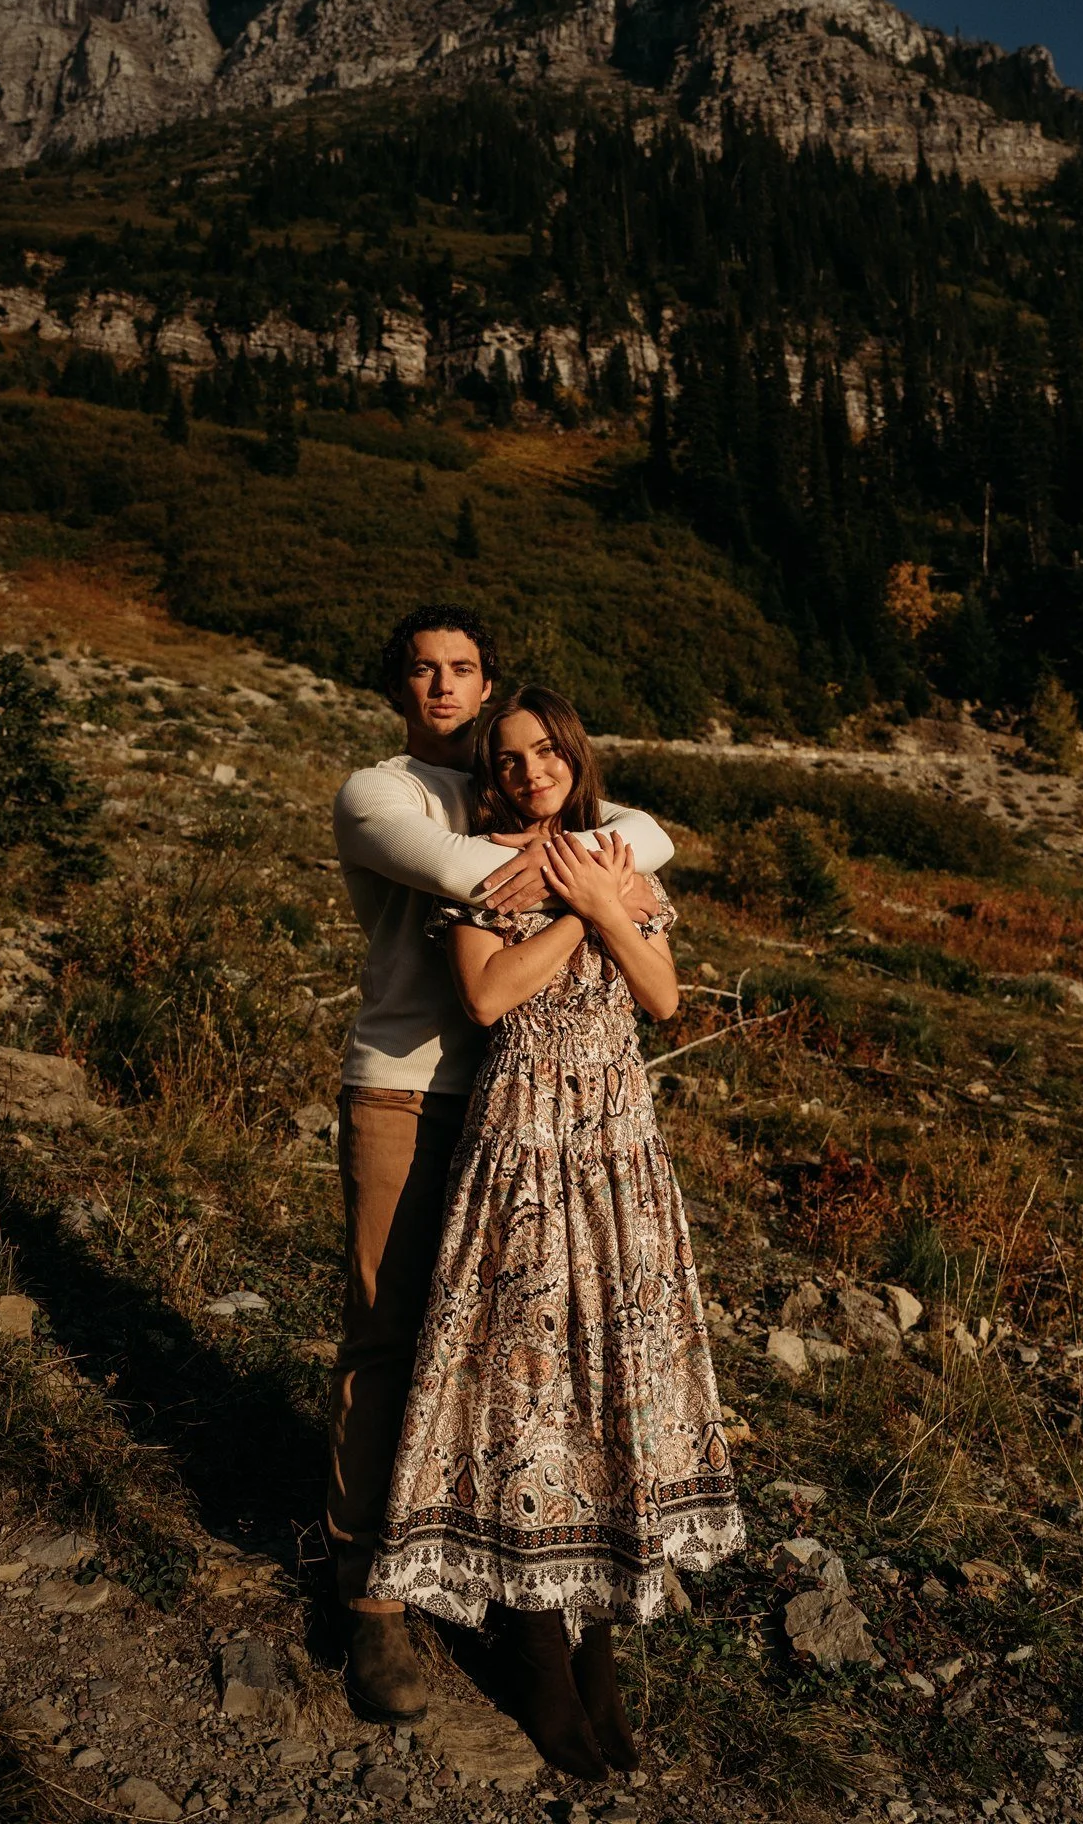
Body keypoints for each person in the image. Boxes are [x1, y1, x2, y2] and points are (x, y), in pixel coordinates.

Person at [366, 685, 744, 1780]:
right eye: (509, 756)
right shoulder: (480, 866)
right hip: (525, 1138)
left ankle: (602, 1634)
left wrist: (610, 901)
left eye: (545, 752)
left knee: (611, 1375)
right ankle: (532, 1637)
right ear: (490, 772)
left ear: (575, 759)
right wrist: (581, 908)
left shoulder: (619, 855)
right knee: (525, 1379)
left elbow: (664, 998)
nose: (529, 770)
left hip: (620, 1140)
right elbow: (487, 998)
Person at [329, 609, 676, 1722]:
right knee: (390, 1331)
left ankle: (501, 1566)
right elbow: (465, 873)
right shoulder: (380, 793)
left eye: (462, 668)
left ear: (486, 684)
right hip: (402, 1080)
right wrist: (596, 880)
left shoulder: (515, 781)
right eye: (423, 669)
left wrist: (606, 862)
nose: (443, 685)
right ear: (398, 685)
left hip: (522, 1109)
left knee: (506, 1346)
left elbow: (652, 831)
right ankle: (370, 1594)